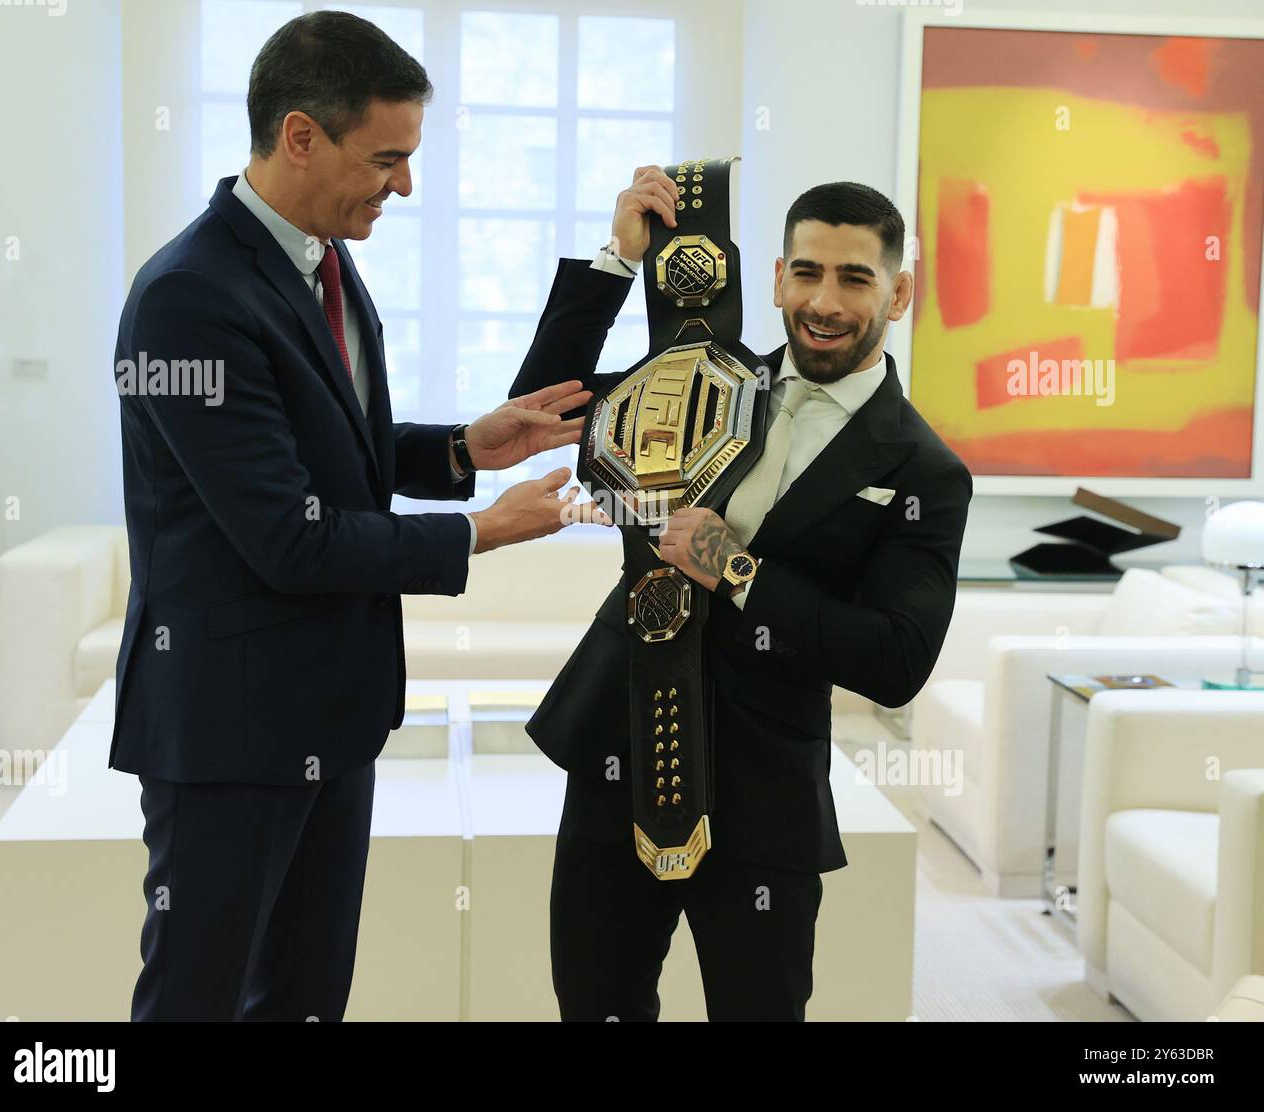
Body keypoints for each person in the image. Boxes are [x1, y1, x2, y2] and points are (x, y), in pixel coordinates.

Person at [111, 9, 605, 1021]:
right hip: (231, 729)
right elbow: (288, 536)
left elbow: (327, 453)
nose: (405, 186)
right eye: (388, 158)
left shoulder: (325, 262)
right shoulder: (188, 300)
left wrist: (466, 445)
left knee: (304, 997)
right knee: (197, 998)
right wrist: (479, 528)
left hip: (330, 714)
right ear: (301, 136)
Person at [512, 167, 974, 1021]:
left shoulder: (924, 469)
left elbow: (896, 659)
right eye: (806, 272)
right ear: (776, 278)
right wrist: (618, 260)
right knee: (591, 1004)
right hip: (617, 755)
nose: (824, 301)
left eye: (854, 277)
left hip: (766, 799)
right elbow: (539, 410)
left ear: (899, 292)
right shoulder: (698, 378)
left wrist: (739, 570)